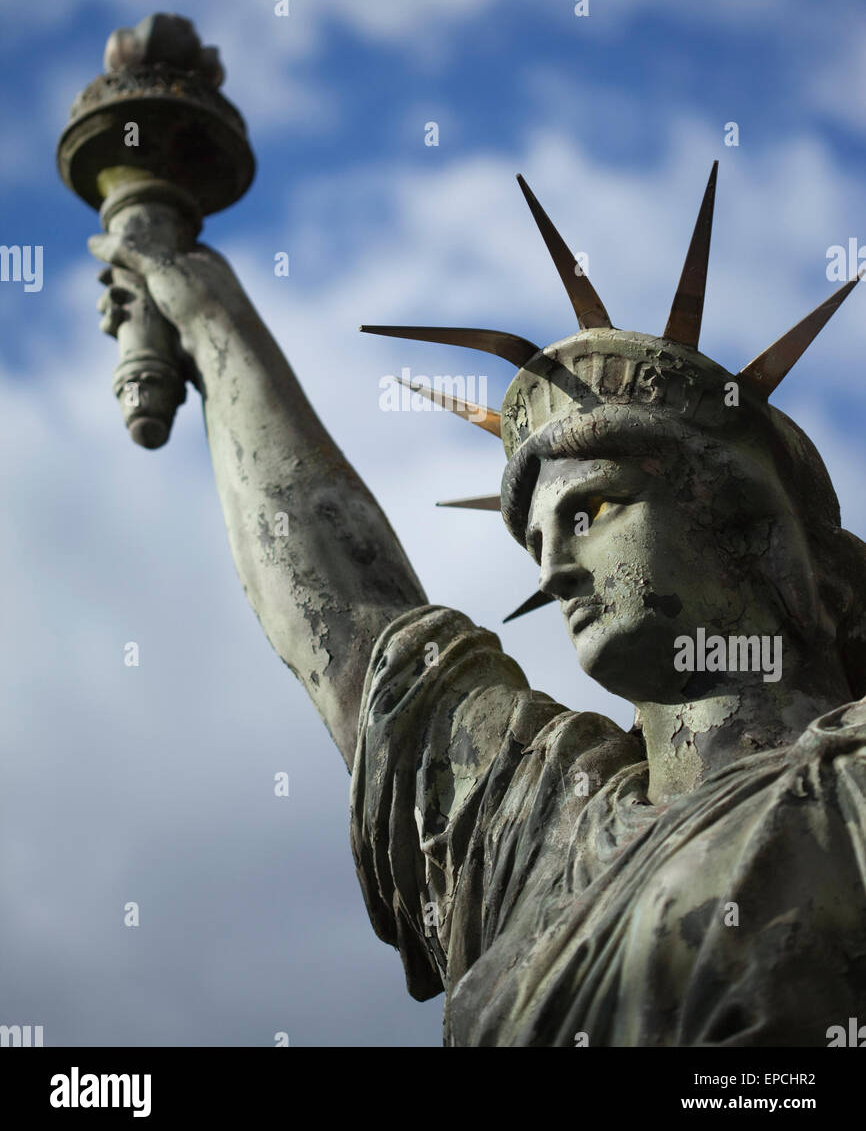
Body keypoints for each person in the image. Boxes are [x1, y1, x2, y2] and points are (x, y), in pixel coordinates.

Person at [89, 165, 866, 1047]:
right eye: (535, 542)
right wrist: (207, 317)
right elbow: (354, 626)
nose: (556, 569)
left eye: (591, 511)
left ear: (747, 523)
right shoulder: (545, 833)